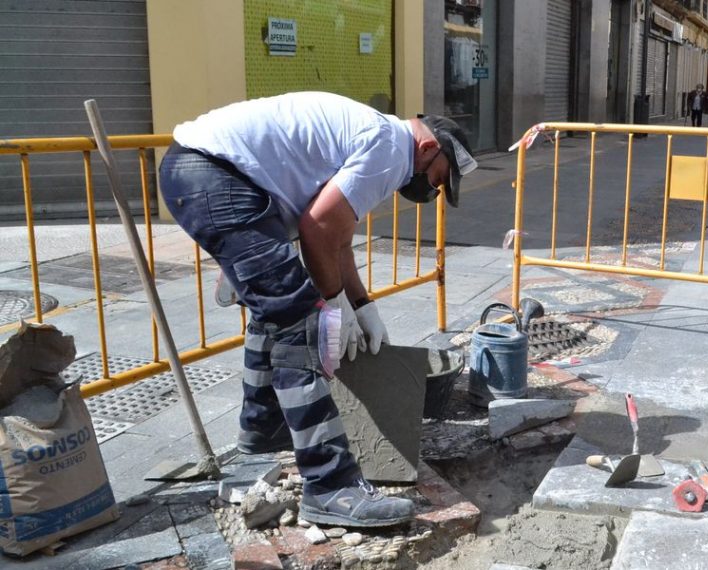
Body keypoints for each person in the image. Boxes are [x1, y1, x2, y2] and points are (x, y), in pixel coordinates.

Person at [158, 92, 477, 528]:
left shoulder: (380, 139)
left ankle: (263, 435)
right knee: (300, 323)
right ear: (428, 148)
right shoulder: (391, 151)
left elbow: (336, 236)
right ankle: (330, 487)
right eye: (440, 177)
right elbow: (318, 230)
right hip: (217, 178)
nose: (435, 188)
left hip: (208, 174)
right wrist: (332, 304)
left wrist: (361, 304)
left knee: (276, 313)